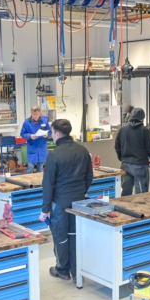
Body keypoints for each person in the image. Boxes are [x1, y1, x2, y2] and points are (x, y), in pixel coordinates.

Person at [39, 119, 93, 282]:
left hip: (60, 203)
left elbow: (48, 184)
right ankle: (77, 273)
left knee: (60, 237)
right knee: (75, 236)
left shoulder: (54, 155)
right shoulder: (83, 151)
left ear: (57, 133)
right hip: (79, 203)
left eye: (52, 132)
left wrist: (45, 209)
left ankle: (63, 270)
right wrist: (80, 193)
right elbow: (89, 177)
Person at [114, 107, 150, 196]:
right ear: (142, 118)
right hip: (140, 166)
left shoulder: (122, 129)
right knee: (141, 194)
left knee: (126, 193)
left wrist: (122, 158)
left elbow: (117, 146)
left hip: (125, 165)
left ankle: (124, 205)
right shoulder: (145, 130)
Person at [20, 106, 51, 173]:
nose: (35, 116)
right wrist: (29, 136)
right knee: (30, 167)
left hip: (41, 147)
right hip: (32, 147)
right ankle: (29, 180)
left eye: (37, 114)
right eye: (33, 114)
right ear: (31, 113)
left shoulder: (44, 121)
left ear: (39, 113)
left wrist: (47, 135)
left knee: (40, 168)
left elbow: (50, 132)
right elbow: (22, 133)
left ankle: (39, 180)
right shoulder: (27, 122)